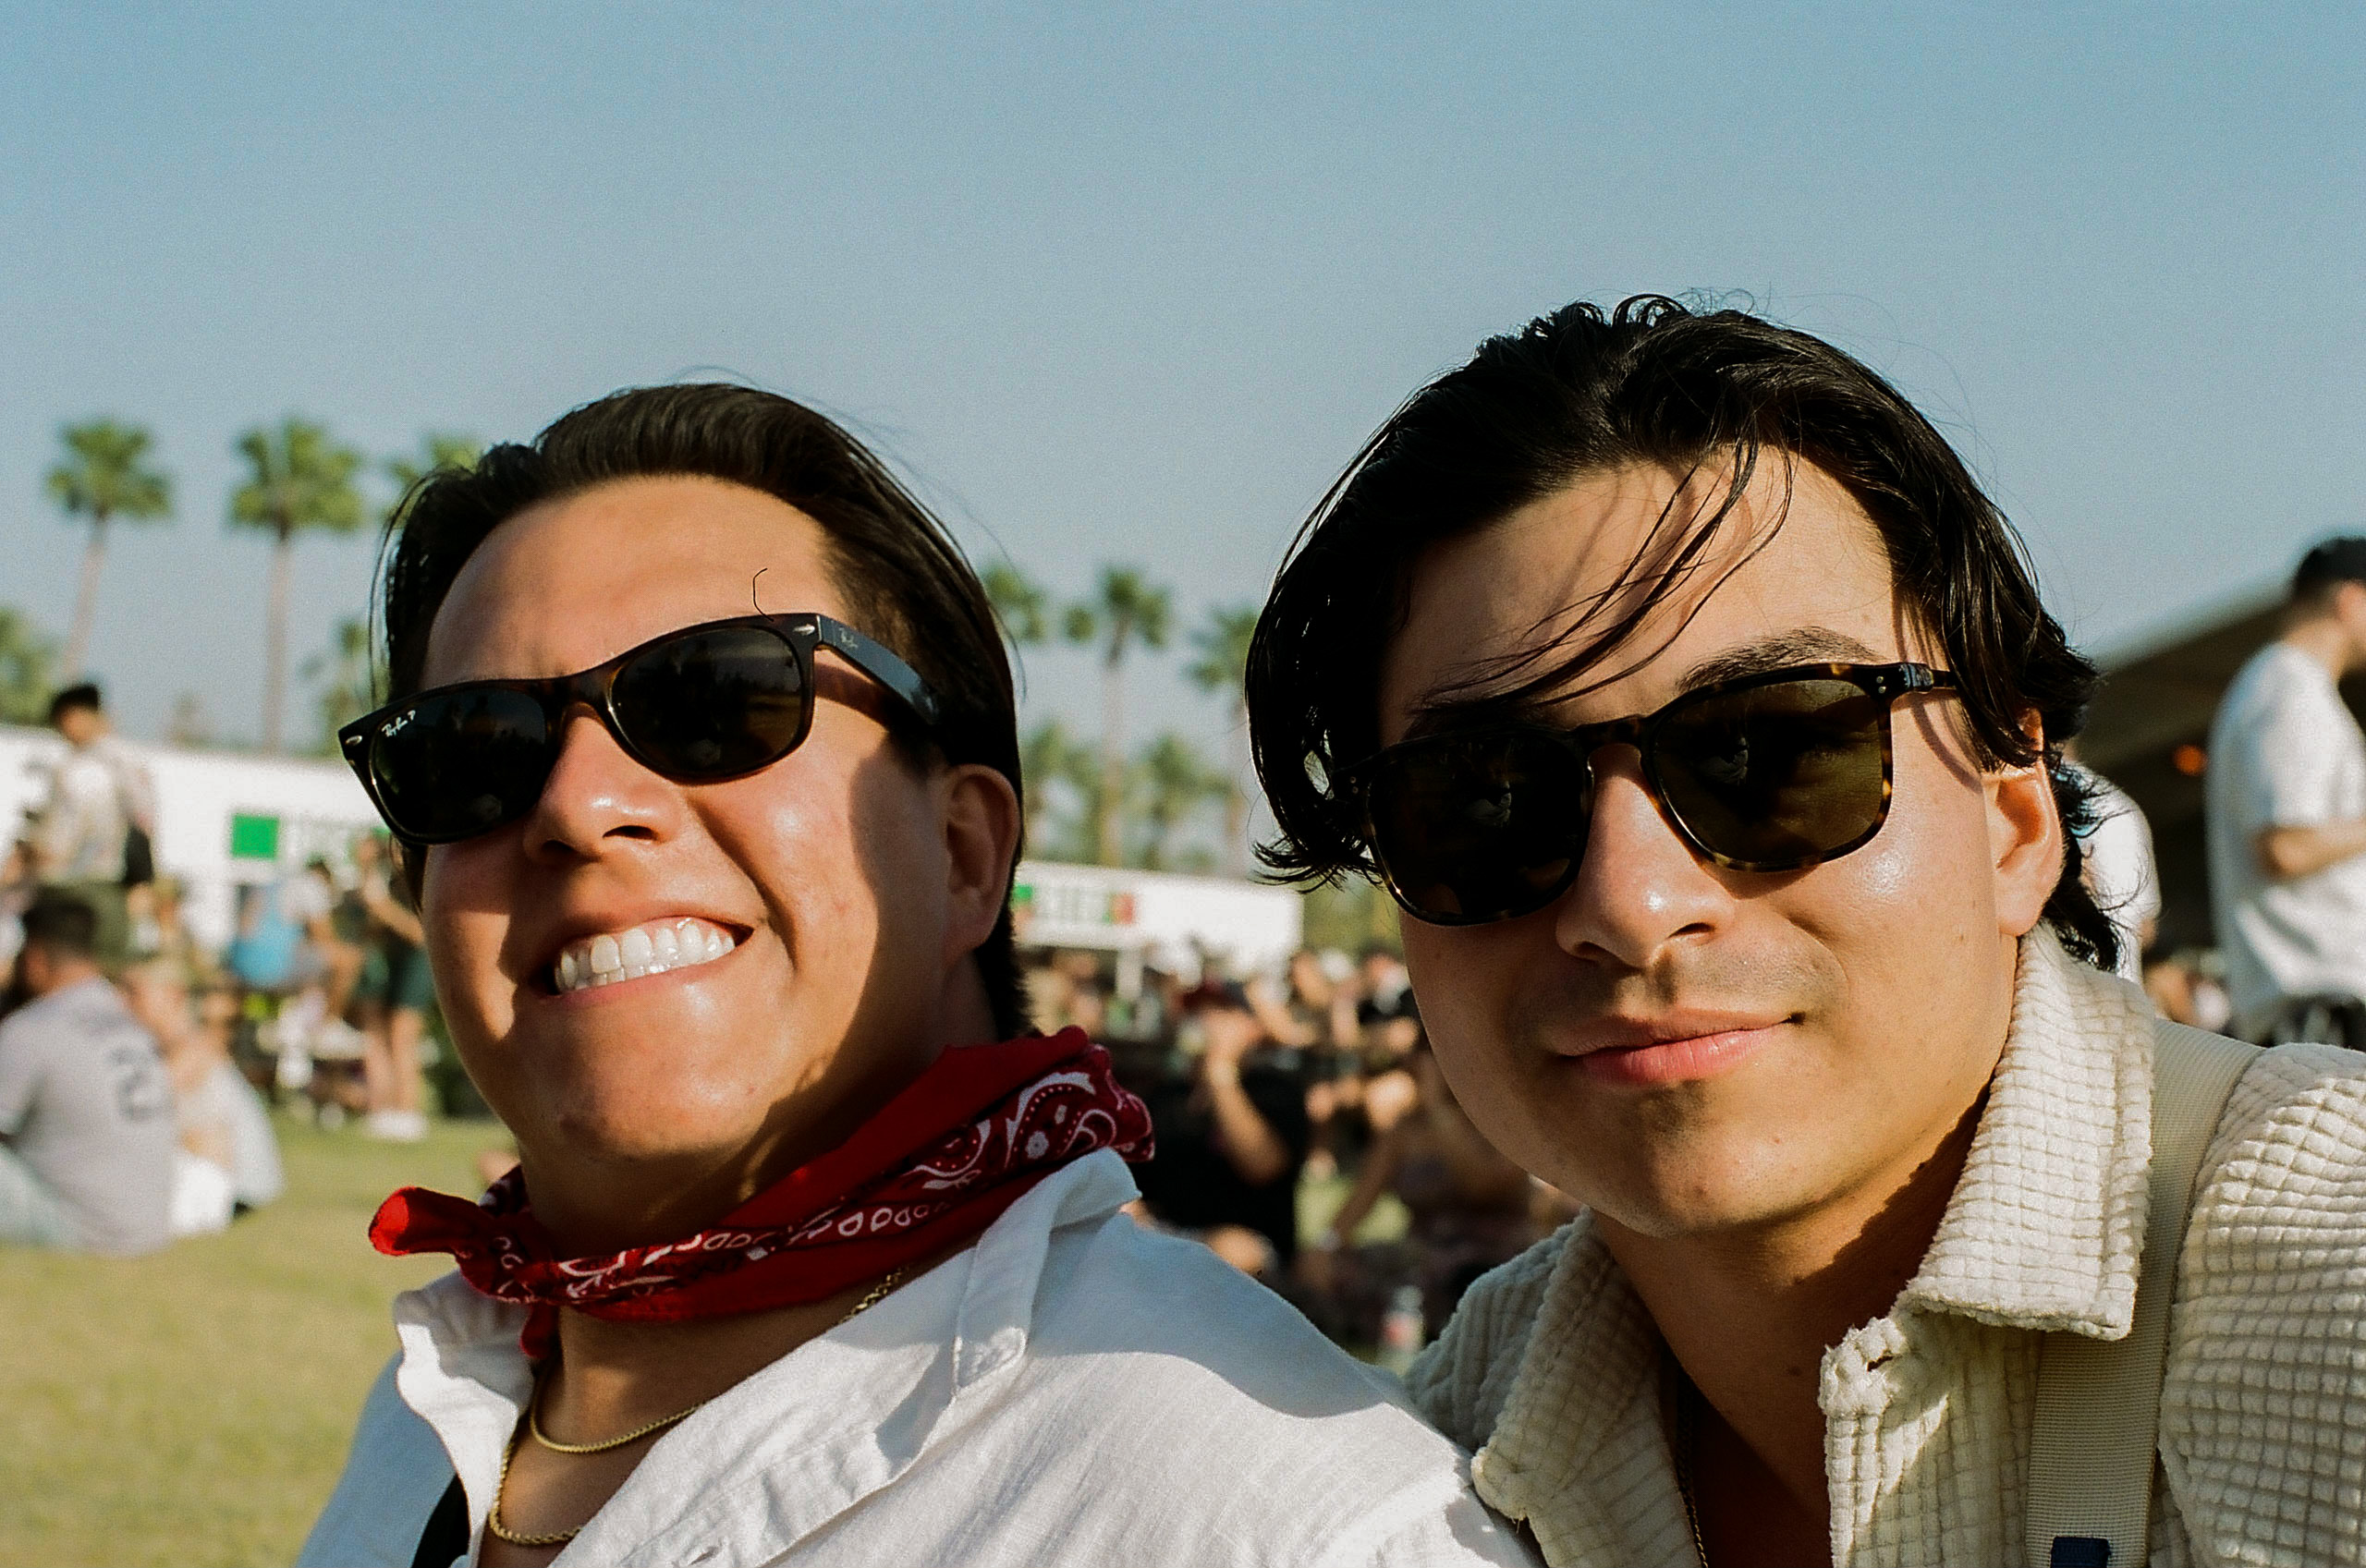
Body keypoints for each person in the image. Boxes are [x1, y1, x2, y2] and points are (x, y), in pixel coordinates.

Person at [299, 384, 1530, 1568]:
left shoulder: (1268, 1513)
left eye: (714, 700)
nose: (575, 803)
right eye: (473, 752)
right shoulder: (435, 1412)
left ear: (959, 854)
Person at [1243, 297, 2366, 1565]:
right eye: (1486, 801)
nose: (1631, 901)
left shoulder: (2328, 1286)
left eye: (1771, 751)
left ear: (2014, 822)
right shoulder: (1433, 1461)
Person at [2207, 537, 2366, 1047]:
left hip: (2317, 1002)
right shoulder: (2290, 690)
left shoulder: (2282, 687)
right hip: (2322, 1004)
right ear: (2351, 601)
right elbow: (2285, 846)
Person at [0, 891, 176, 1255]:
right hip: (148, 1226)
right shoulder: (125, 1017)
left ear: (34, 958)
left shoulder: (34, 1027)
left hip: (79, 1227)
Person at [1129, 978, 1313, 1275]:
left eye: (1220, 1012)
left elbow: (1263, 1165)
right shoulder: (1165, 1097)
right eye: (1198, 1013)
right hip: (1170, 1235)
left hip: (1249, 1246)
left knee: (1226, 1252)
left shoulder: (1276, 1091)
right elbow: (1133, 1181)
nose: (1204, 1022)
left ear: (1251, 1027)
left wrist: (1220, 1075)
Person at [120, 958, 284, 1228]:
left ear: (173, 995)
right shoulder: (181, 1046)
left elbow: (133, 1109)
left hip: (224, 1188)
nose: (123, 1002)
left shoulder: (194, 1050)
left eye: (134, 992)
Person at [30, 684, 153, 969]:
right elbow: (145, 830)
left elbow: (56, 843)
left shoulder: (80, 768)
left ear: (73, 716)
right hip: (116, 894)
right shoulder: (131, 762)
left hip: (73, 892)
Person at [349, 832, 432, 1141]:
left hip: (418, 964)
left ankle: (408, 1113)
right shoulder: (389, 882)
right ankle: (386, 1111)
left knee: (402, 1037)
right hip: (396, 964)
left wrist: (383, 909)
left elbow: (419, 933)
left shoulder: (420, 881)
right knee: (383, 1036)